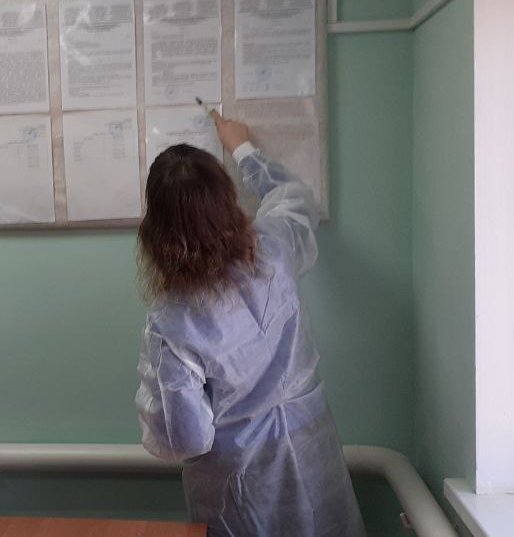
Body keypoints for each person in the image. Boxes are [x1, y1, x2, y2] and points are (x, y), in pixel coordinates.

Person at [135, 113, 365, 536]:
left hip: (241, 483)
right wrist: (242, 149)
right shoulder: (273, 249)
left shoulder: (172, 321)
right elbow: (293, 198)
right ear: (227, 201)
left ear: (157, 230)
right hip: (312, 449)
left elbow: (186, 439)